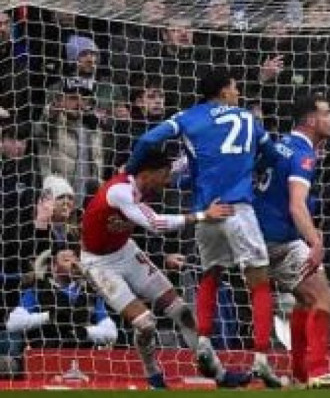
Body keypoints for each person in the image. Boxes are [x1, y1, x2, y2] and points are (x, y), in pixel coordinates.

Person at [125, 70, 282, 386]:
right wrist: (250, 168)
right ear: (224, 91)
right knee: (259, 282)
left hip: (206, 212)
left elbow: (146, 140)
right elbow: (273, 157)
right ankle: (263, 358)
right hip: (238, 208)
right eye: (235, 86)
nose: (237, 92)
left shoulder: (186, 117)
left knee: (211, 274)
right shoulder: (248, 119)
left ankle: (206, 343)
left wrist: (129, 171)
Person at [80, 149, 248, 389]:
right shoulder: (120, 191)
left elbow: (182, 164)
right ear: (148, 174)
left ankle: (219, 374)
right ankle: (153, 375)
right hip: (98, 263)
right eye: (164, 175)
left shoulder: (145, 183)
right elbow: (157, 224)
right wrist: (202, 215)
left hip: (126, 251)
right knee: (145, 323)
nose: (168, 181)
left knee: (182, 311)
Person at [252, 96, 330, 388]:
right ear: (311, 121)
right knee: (325, 301)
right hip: (280, 241)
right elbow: (296, 206)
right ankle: (317, 372)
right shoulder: (303, 155)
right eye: (327, 113)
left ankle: (299, 377)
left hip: (257, 237)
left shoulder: (280, 144)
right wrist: (316, 242)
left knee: (305, 299)